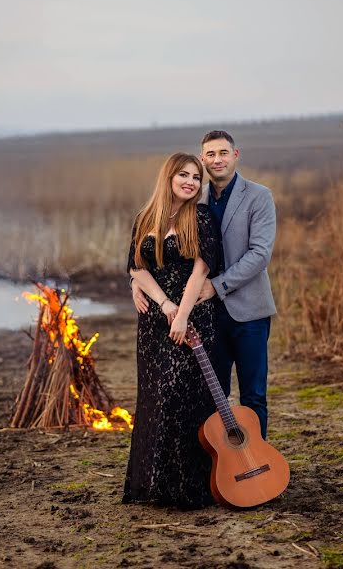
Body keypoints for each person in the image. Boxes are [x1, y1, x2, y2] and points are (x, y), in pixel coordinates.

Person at [132, 130, 276, 439]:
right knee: (213, 397)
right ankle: (222, 471)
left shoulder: (258, 196)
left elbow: (260, 254)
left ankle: (257, 467)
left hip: (248, 312)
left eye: (223, 153)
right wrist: (138, 281)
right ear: (202, 160)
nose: (217, 159)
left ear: (235, 155)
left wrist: (218, 285)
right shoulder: (195, 198)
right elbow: (160, 251)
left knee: (253, 396)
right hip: (207, 316)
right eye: (210, 154)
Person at [122, 152, 222, 509]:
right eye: (184, 175)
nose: (191, 182)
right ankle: (153, 487)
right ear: (168, 177)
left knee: (183, 396)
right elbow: (136, 267)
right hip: (153, 320)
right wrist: (165, 305)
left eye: (196, 177)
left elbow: (201, 270)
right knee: (155, 397)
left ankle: (189, 489)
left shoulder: (202, 217)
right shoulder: (145, 217)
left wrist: (182, 315)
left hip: (194, 315)